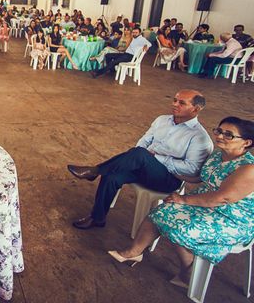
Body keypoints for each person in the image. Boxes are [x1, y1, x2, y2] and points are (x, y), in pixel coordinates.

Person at [107, 116, 254, 289]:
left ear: (246, 142)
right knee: (160, 212)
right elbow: (199, 176)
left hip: (232, 216)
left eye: (229, 135)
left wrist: (183, 199)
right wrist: (168, 171)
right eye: (219, 131)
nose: (220, 136)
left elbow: (223, 198)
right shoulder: (218, 155)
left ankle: (188, 271)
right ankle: (133, 253)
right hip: (205, 203)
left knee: (180, 227)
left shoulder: (248, 168)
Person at [67, 90, 213, 229]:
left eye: (182, 103)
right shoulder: (162, 120)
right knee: (112, 175)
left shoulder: (199, 138)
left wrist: (156, 158)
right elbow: (143, 142)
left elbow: (192, 169)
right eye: (174, 100)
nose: (175, 104)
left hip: (168, 178)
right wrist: (146, 156)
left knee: (140, 155)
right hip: (143, 165)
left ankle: (96, 170)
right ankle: (97, 218)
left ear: (196, 109)